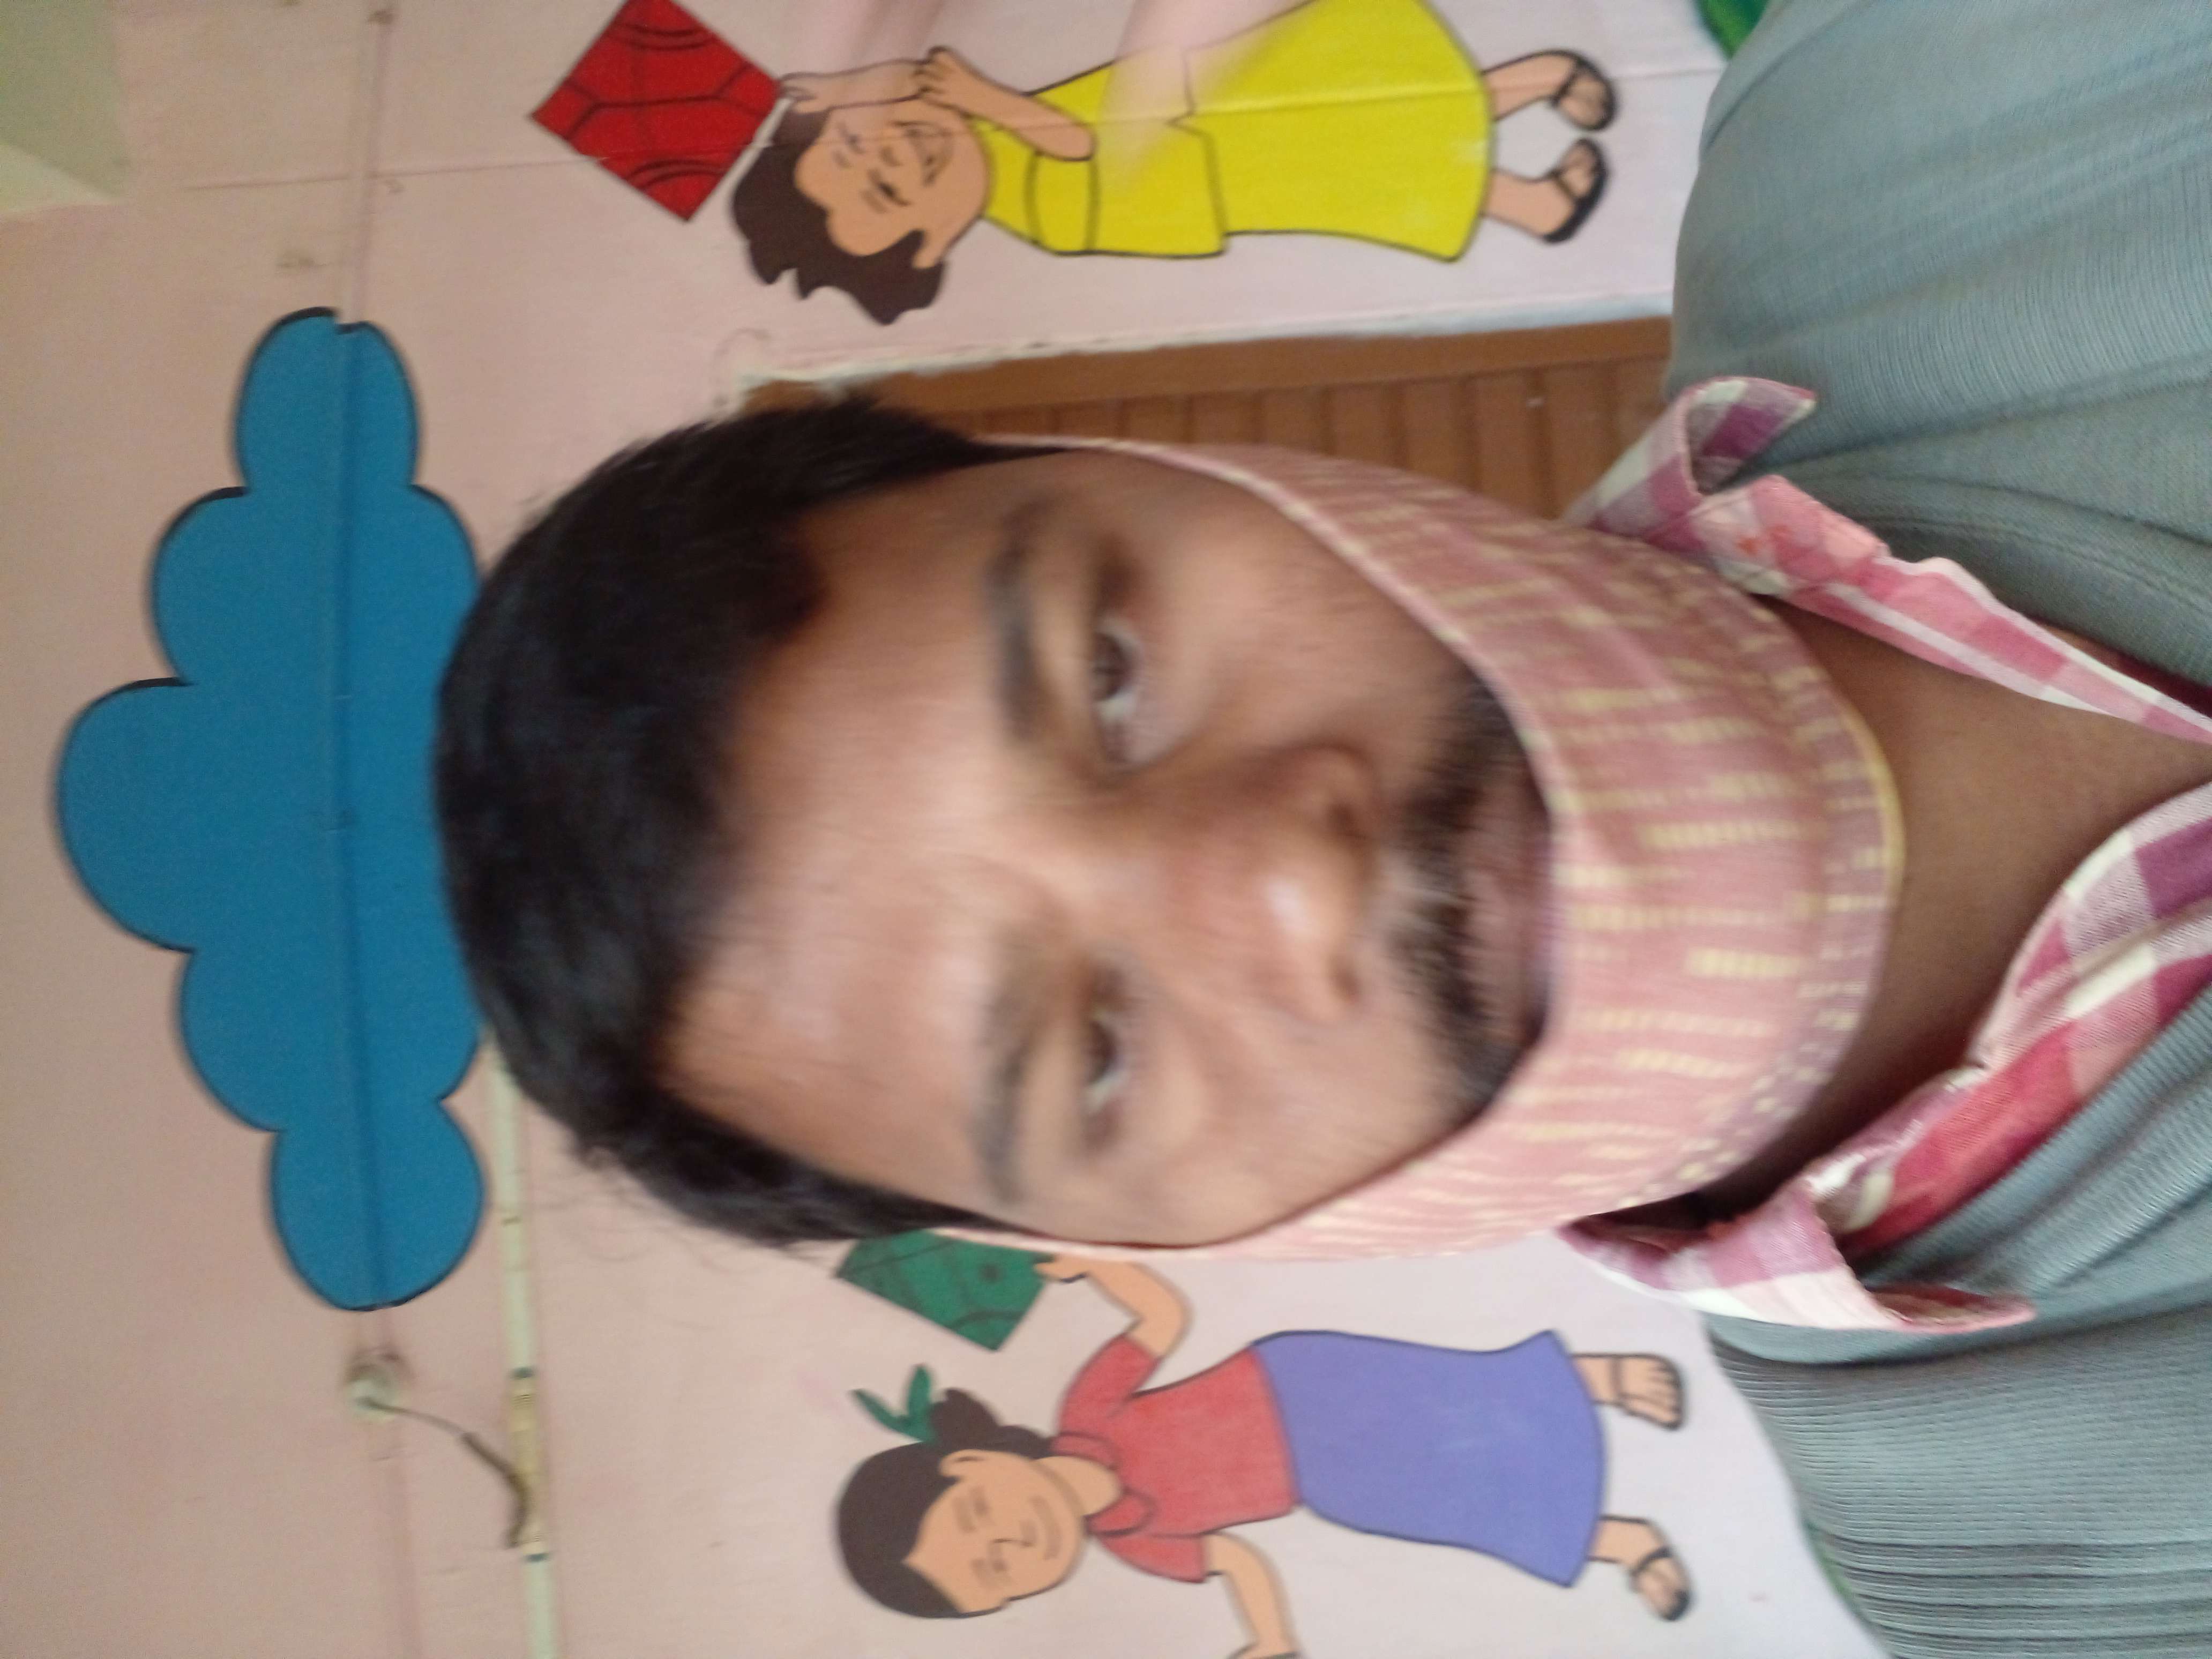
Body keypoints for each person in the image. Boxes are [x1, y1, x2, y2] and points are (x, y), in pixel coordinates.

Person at [435, 1, 2212, 1650]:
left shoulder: (1911, 84)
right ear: (1141, 1249)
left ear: (1158, 467)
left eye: (1108, 673)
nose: (1290, 876)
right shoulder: (2029, 1570)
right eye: (1092, 1052)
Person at [835, 1257, 1691, 1645]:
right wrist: (1273, 1641)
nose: (1012, 1540)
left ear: (973, 1463)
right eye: (996, 1571)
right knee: (1459, 1507)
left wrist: (1094, 1264)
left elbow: (1161, 1319)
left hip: (1303, 1385)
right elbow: (1237, 1561)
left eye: (979, 1517)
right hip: (1327, 1479)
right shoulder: (1137, 1544)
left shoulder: (1086, 1412)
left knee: (1456, 1400)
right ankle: (1624, 1541)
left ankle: (1601, 1378)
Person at [730, 0, 1613, 323]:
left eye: (862, 142)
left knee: (1382, 90)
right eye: (887, 185)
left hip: (1199, 113)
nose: (894, 148)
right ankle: (1528, 194)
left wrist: (850, 89)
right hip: (1219, 152)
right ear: (928, 246)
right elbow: (1080, 145)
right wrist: (984, 97)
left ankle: (1536, 89)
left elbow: (894, 74)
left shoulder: (950, 124)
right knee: (1377, 143)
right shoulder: (1027, 200)